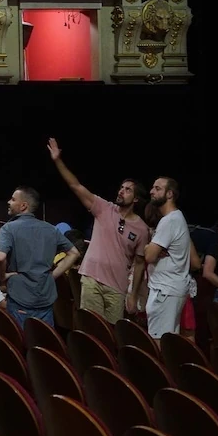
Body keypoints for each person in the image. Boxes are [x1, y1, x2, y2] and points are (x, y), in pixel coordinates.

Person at [48, 138, 151, 324]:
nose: (121, 191)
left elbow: (139, 263)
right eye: (121, 187)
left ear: (136, 199)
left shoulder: (142, 229)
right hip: (91, 279)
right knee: (91, 329)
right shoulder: (104, 208)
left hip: (117, 287)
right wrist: (57, 160)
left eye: (127, 190)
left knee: (112, 335)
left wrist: (133, 295)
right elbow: (76, 186)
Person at [0, 187, 62, 327]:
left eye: (13, 199)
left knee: (20, 343)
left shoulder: (8, 228)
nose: (8, 202)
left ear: (23, 205)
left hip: (19, 298)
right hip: (45, 298)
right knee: (45, 343)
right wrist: (52, 275)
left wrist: (2, 277)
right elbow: (74, 252)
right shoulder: (51, 229)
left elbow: (0, 258)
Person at [142, 177, 194, 340]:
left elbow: (149, 256)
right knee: (168, 340)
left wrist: (148, 248)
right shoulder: (174, 218)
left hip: (165, 291)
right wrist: (150, 248)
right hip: (168, 289)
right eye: (152, 187)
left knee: (160, 342)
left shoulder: (170, 220)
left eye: (157, 188)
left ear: (169, 194)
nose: (152, 191)